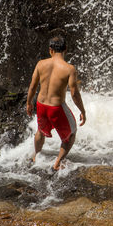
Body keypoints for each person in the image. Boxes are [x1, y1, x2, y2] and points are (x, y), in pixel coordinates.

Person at [26, 33, 86, 170]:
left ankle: (36, 156)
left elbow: (32, 86)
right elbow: (75, 94)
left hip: (41, 105)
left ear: (50, 50)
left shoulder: (41, 64)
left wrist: (29, 103)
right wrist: (83, 111)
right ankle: (58, 163)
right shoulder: (69, 69)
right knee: (70, 135)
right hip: (56, 108)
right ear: (65, 49)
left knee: (40, 131)